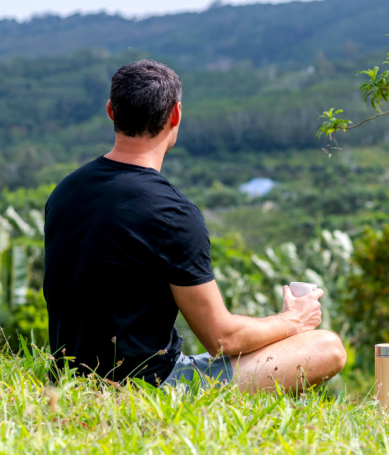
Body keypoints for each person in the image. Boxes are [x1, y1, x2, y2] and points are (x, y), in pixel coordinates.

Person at [43, 59, 347, 391]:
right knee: (327, 347)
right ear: (175, 115)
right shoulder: (172, 213)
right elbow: (222, 338)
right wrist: (293, 320)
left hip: (67, 380)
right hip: (150, 386)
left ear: (111, 111)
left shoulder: (64, 192)